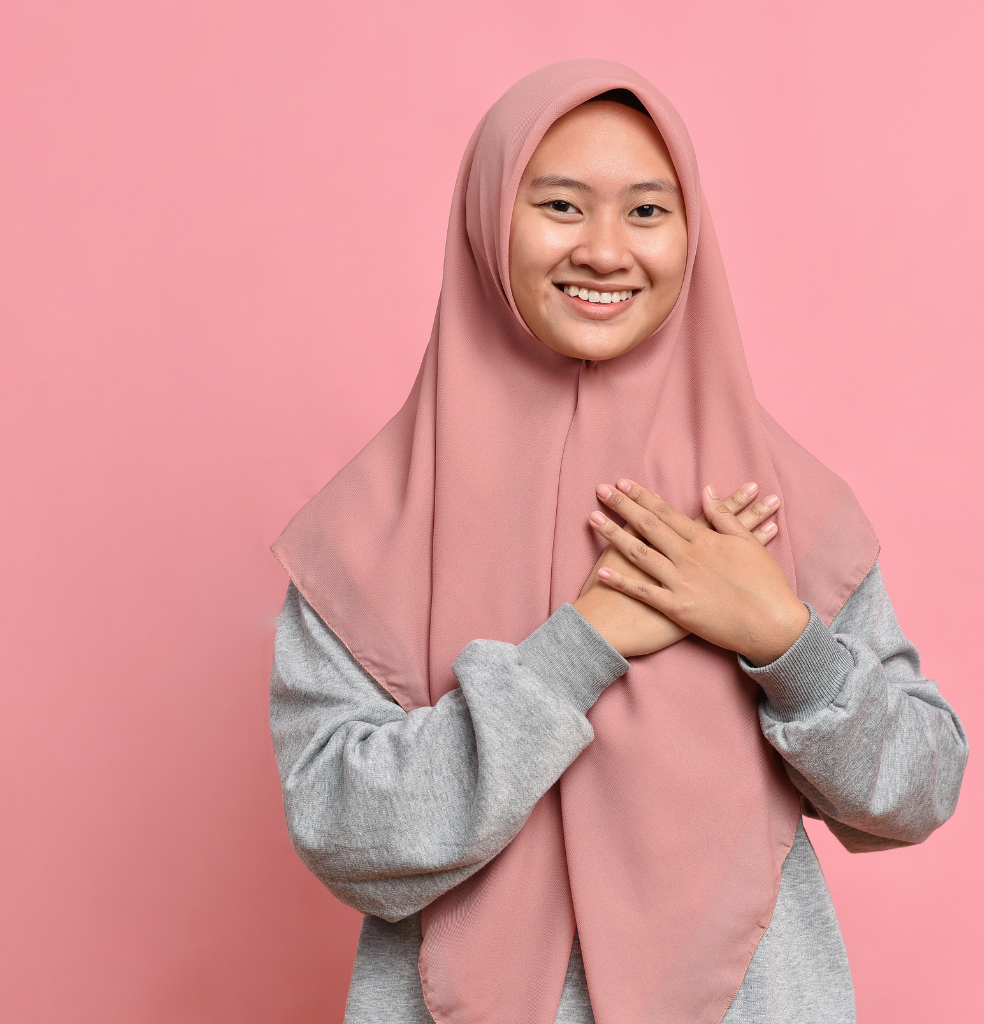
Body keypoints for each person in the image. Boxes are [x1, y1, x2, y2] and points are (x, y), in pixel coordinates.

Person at [268, 60, 968, 1024]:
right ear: (488, 220)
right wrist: (574, 651)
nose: (606, 251)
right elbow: (344, 832)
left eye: (647, 211)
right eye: (559, 204)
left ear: (694, 236)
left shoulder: (772, 504)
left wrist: (782, 640)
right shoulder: (375, 526)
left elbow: (921, 788)